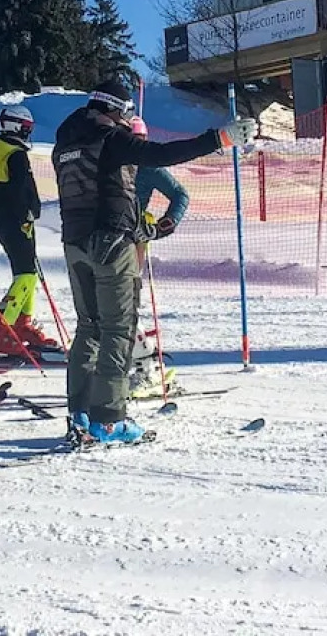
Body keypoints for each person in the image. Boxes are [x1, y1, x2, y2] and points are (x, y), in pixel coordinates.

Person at [52, 79, 256, 444]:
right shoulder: (110, 139)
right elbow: (162, 155)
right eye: (126, 114)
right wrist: (219, 139)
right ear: (116, 109)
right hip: (111, 244)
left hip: (75, 242)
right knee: (118, 329)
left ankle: (80, 413)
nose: (126, 121)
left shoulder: (65, 142)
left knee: (88, 327)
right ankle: (110, 420)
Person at [0, 104, 57, 356]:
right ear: (15, 126)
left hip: (5, 219)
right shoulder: (15, 154)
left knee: (27, 272)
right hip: (18, 220)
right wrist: (32, 209)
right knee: (26, 275)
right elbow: (23, 187)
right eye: (26, 128)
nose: (27, 133)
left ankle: (22, 324)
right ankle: (1, 330)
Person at [128, 116, 191, 393]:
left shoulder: (148, 165)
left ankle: (146, 366)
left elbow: (180, 194)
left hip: (132, 237)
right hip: (104, 236)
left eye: (137, 140)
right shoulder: (106, 160)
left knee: (124, 300)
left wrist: (168, 222)